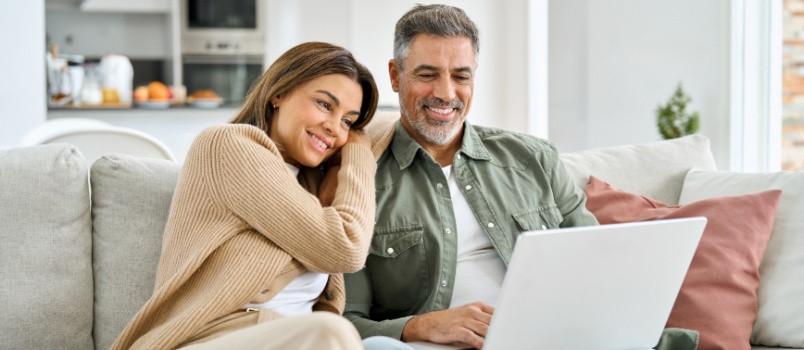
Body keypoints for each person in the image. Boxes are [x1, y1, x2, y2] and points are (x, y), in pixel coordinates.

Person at [345, 4, 698, 350]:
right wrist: (420, 326)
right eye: (427, 74)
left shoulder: (533, 159)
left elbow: (598, 265)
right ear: (395, 75)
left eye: (461, 76)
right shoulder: (359, 179)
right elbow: (345, 322)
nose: (446, 93)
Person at [111, 42, 408, 350]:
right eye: (324, 105)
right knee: (331, 333)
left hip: (293, 340)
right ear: (279, 93)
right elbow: (344, 248)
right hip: (210, 339)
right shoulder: (228, 147)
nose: (334, 128)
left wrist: (340, 165)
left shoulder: (308, 178)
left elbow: (398, 125)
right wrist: (358, 156)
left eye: (348, 121)